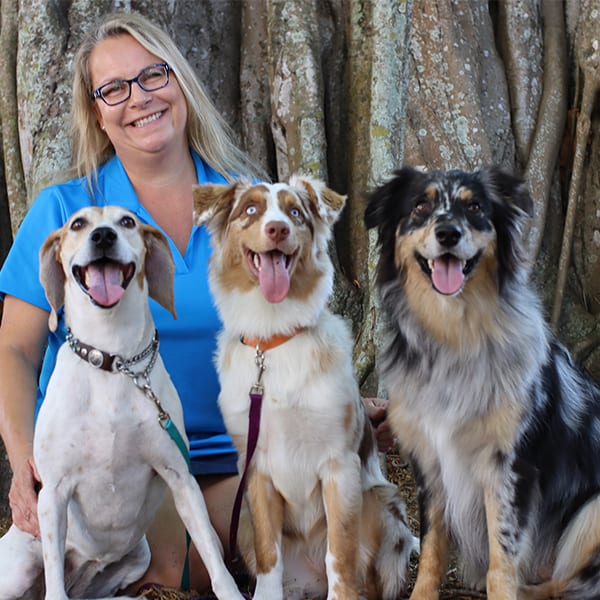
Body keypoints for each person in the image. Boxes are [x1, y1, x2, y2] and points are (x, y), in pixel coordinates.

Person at [0, 10, 392, 594]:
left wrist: (329, 405)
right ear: (97, 111)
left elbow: (289, 327)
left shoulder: (247, 204)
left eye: (152, 76)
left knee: (328, 559)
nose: (138, 99)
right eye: (114, 88)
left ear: (179, 80)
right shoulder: (70, 213)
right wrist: (25, 461)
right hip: (121, 464)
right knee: (177, 565)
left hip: (241, 453)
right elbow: (14, 349)